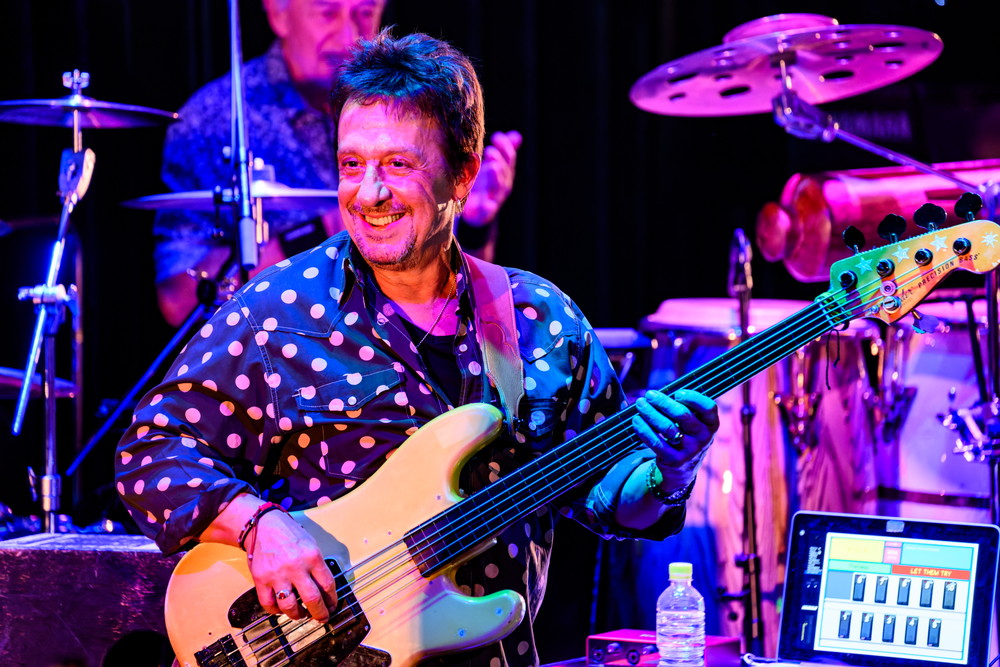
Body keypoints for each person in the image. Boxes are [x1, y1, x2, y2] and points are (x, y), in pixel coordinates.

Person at [117, 30, 718, 666]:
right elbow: (150, 456)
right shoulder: (278, 312)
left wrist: (671, 473)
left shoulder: (539, 319)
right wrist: (258, 525)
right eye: (352, 164)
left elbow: (613, 501)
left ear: (463, 173)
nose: (368, 193)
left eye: (398, 165)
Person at [154, 0, 521, 327]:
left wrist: (468, 220)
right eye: (327, 12)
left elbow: (455, 302)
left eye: (364, 13)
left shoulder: (410, 103)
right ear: (278, 12)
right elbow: (178, 303)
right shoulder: (214, 120)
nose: (349, 36)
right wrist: (329, 224)